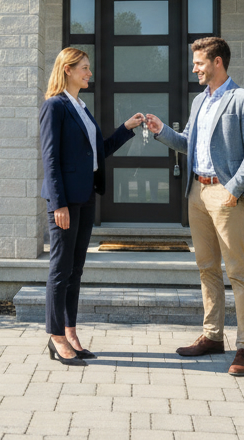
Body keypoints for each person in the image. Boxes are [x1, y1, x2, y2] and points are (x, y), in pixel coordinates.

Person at [145, 36, 244, 377]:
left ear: (217, 62)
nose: (194, 69)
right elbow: (190, 143)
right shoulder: (200, 100)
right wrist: (162, 131)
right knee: (207, 268)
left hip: (226, 194)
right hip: (197, 192)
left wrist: (234, 188)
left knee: (238, 272)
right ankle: (213, 336)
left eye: (199, 63)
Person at [40, 47, 144, 366]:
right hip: (65, 202)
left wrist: (126, 128)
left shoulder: (82, 108)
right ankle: (56, 337)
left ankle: (70, 332)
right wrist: (58, 203)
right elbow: (50, 158)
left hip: (85, 198)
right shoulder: (55, 106)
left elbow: (98, 152)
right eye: (84, 67)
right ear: (68, 70)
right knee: (60, 269)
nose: (89, 72)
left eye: (88, 67)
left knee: (75, 269)